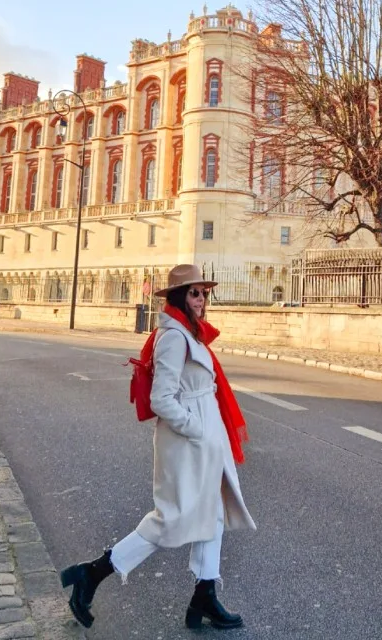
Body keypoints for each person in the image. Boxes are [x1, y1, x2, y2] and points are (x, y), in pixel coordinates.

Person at [60, 264, 255, 630]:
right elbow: (162, 399)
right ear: (180, 297)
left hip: (205, 439)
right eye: (195, 293)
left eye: (204, 292)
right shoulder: (173, 337)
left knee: (212, 514)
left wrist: (209, 432)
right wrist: (197, 429)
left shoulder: (191, 334)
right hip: (187, 442)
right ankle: (93, 573)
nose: (201, 299)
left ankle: (205, 594)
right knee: (170, 520)